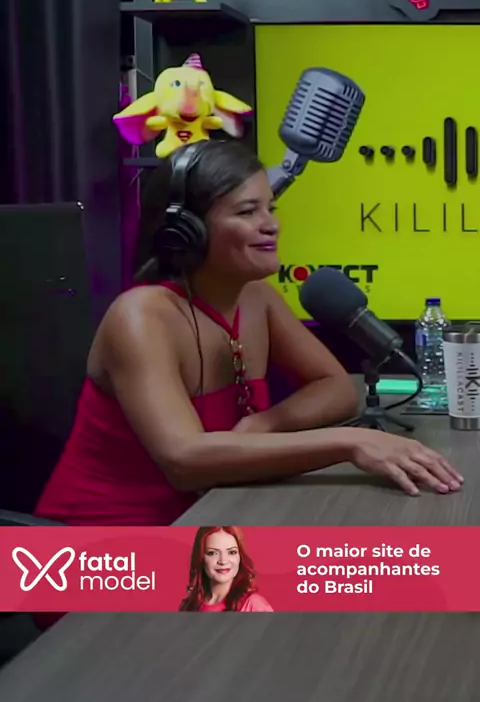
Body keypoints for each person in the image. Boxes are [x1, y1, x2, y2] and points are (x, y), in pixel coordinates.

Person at [34, 140, 463, 528]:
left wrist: (264, 424)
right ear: (187, 230)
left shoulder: (257, 298)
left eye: (270, 209)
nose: (270, 224)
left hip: (214, 519)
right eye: (247, 212)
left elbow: (335, 388)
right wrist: (350, 442)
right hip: (99, 549)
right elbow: (184, 461)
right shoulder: (141, 318)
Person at [179, 526, 273, 612]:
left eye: (232, 552)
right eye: (212, 553)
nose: (223, 561)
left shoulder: (254, 605)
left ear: (240, 557)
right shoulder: (190, 606)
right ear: (201, 558)